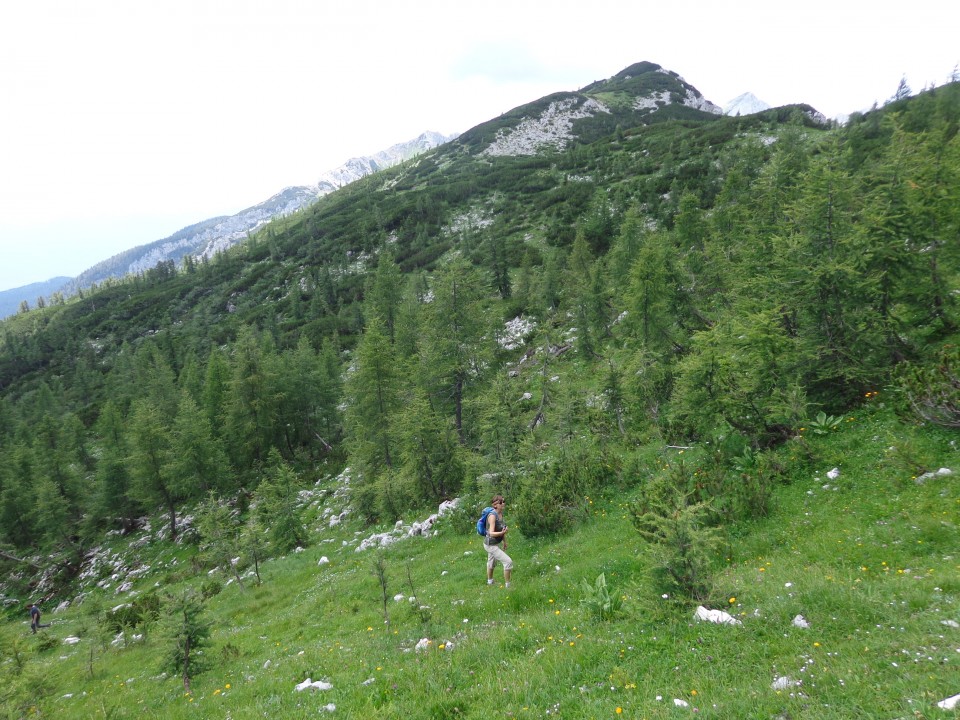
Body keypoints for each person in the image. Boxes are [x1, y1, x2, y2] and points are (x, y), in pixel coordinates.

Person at [484, 495, 513, 588]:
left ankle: (490, 582)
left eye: (504, 501)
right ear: (495, 505)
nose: (503, 503)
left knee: (491, 563)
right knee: (508, 562)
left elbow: (502, 528)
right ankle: (508, 587)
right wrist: (502, 532)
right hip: (490, 544)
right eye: (501, 502)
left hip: (495, 543)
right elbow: (491, 533)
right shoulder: (492, 516)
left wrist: (504, 541)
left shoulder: (501, 514)